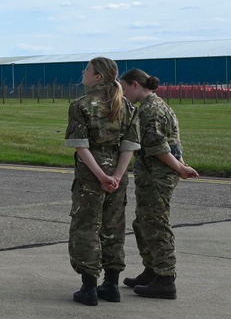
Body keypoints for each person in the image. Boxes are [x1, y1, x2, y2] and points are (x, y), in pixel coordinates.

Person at [66, 56, 140, 306]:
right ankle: (111, 284)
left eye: (86, 69)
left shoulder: (82, 104)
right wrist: (117, 175)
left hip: (91, 175)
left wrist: (101, 175)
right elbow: (129, 146)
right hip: (118, 175)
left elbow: (80, 145)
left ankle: (89, 288)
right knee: (113, 227)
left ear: (97, 76)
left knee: (87, 227)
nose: (83, 72)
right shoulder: (127, 106)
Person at [120, 68, 198, 300]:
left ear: (135, 85)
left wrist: (180, 168)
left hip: (157, 175)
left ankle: (165, 279)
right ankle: (152, 270)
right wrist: (180, 165)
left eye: (124, 89)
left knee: (155, 223)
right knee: (143, 222)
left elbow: (159, 147)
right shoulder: (159, 106)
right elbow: (174, 143)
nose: (123, 94)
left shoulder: (150, 111)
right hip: (157, 174)